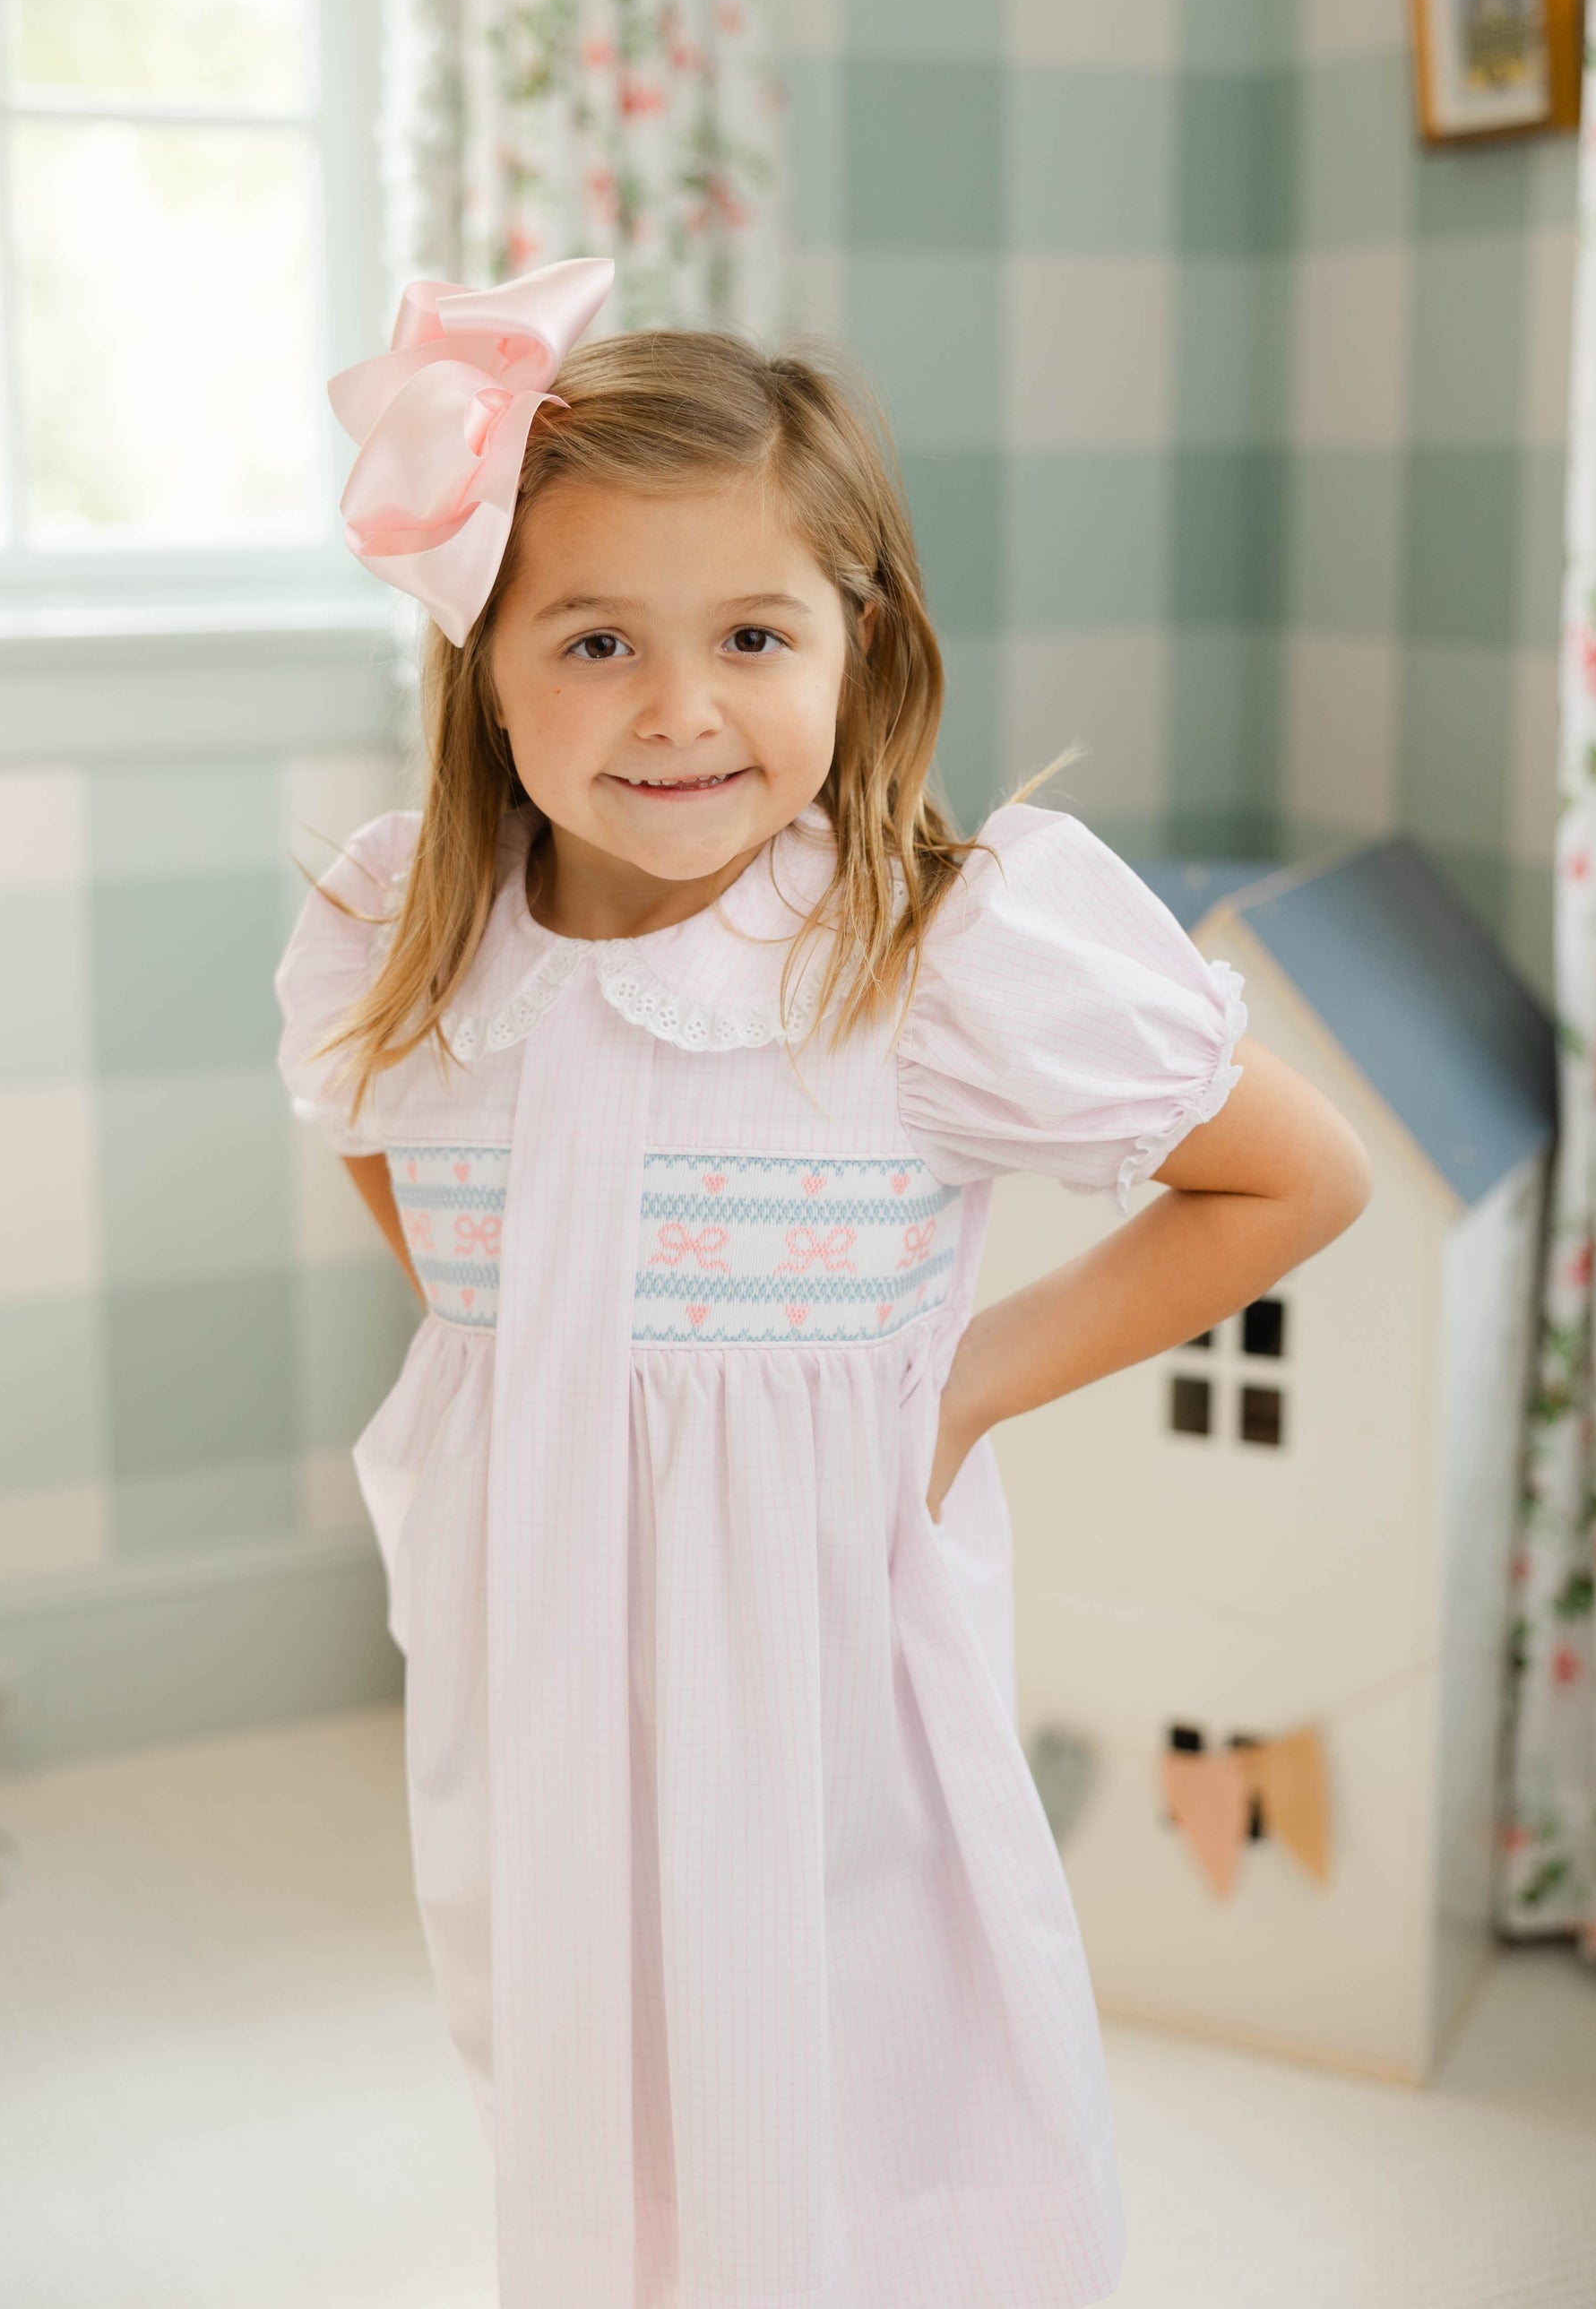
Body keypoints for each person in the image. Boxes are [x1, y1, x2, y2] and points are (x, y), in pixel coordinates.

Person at [275, 258, 1373, 2309]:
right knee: (595, 2071)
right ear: (484, 673)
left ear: (857, 656)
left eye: (752, 635)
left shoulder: (926, 951)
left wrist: (954, 1385)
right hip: (547, 1662)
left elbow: (1290, 1175)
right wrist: (522, 1347)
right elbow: (371, 1120)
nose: (680, 706)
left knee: (860, 2072)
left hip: (817, 1665)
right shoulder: (407, 932)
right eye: (595, 638)